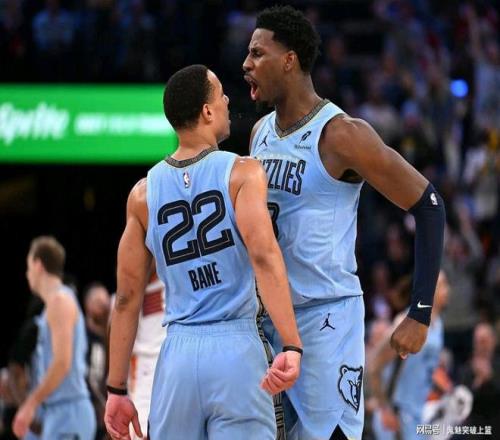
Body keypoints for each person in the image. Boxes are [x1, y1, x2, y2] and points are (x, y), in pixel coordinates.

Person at [243, 6, 446, 439]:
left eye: (257, 53)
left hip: (326, 320)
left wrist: (420, 311)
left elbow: (429, 205)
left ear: (289, 60)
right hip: (271, 320)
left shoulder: (342, 134)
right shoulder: (259, 132)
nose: (247, 64)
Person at [104, 64, 302, 440]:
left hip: (177, 355)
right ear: (208, 111)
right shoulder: (243, 173)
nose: (227, 100)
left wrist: (116, 389)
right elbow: (264, 257)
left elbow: (127, 298)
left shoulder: (142, 194)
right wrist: (291, 343)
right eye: (221, 93)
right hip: (236, 348)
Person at [12, 236, 96, 439]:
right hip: (58, 412)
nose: (27, 274)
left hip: (70, 411)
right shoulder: (51, 306)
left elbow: (62, 363)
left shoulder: (60, 301)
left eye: (28, 267)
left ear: (38, 265)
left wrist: (30, 403)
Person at [368, 271, 449, 440]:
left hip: (420, 414)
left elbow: (422, 369)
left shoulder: (439, 324)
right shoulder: (405, 323)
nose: (447, 290)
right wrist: (384, 409)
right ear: (427, 289)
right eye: (442, 285)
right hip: (396, 417)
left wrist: (444, 390)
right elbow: (374, 366)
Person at [128, 271, 165, 440]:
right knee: (141, 432)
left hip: (176, 360)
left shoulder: (173, 276)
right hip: (145, 369)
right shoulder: (128, 290)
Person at [83, 282, 111, 440]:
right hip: (86, 411)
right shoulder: (81, 338)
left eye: (106, 302)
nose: (105, 306)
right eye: (99, 302)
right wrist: (98, 404)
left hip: (107, 410)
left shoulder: (111, 337)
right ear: (88, 305)